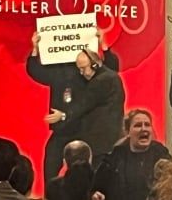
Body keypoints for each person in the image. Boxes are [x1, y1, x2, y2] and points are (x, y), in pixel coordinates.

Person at [27, 29, 121, 183]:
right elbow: (35, 71)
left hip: (86, 129)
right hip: (64, 129)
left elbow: (112, 68)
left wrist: (102, 44)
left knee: (90, 173)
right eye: (80, 68)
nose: (82, 71)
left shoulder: (94, 73)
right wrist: (35, 48)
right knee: (51, 161)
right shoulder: (59, 70)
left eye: (84, 68)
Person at [93, 109, 172, 200]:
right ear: (127, 132)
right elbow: (97, 188)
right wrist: (96, 194)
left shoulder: (161, 155)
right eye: (138, 125)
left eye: (147, 125)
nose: (144, 128)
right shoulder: (114, 159)